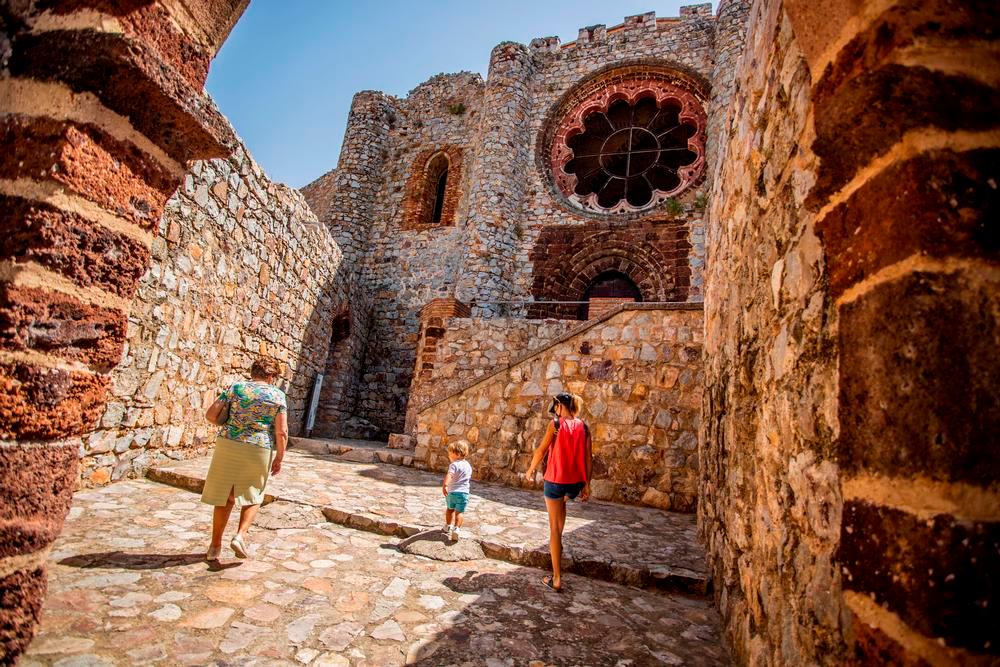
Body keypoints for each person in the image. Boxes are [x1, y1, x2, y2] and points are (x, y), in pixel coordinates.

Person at [201, 356, 288, 560]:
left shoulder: (237, 388)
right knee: (254, 493)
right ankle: (240, 536)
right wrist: (279, 457)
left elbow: (211, 415)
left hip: (228, 444)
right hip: (258, 447)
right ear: (270, 375)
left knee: (224, 495)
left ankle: (214, 546)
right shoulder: (277, 395)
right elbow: (281, 431)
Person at [524, 392, 592, 592]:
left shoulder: (555, 424)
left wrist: (530, 470)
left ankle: (556, 578)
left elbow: (541, 450)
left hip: (555, 481)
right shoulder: (584, 427)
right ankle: (556, 566)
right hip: (574, 485)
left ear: (560, 405)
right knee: (560, 528)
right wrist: (586, 485)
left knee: (554, 529)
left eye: (555, 406)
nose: (555, 410)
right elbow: (589, 459)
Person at [441, 440, 472, 541]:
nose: (449, 455)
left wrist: (445, 485)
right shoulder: (468, 466)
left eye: (450, 453)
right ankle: (457, 529)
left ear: (458, 454)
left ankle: (448, 526)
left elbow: (450, 475)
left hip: (452, 492)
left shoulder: (454, 465)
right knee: (459, 512)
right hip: (464, 493)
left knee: (450, 510)